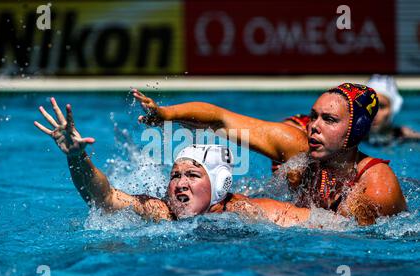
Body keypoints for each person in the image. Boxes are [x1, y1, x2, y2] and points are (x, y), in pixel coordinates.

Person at [133, 83, 407, 225]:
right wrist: (165, 114)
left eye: (329, 120)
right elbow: (220, 120)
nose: (314, 127)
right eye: (313, 117)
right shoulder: (298, 147)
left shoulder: (375, 188)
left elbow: (347, 245)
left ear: (356, 130)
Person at [33, 98, 311, 227]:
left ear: (219, 185)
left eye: (192, 174)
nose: (180, 183)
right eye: (175, 175)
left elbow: (326, 225)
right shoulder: (163, 212)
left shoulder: (246, 212)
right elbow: (104, 198)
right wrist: (77, 158)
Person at [283, 75, 420, 145]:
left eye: (381, 107)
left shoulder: (404, 137)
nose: (374, 112)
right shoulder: (347, 136)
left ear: (393, 110)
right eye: (369, 106)